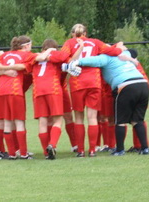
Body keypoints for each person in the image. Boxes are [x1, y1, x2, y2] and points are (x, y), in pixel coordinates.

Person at [60, 23, 126, 157]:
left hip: (77, 82)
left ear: (72, 33)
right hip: (94, 81)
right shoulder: (95, 42)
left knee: (79, 117)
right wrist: (119, 48)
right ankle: (92, 150)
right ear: (86, 33)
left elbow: (63, 57)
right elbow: (112, 52)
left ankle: (80, 150)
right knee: (92, 117)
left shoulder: (69, 43)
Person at [68, 49, 149, 156]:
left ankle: (120, 149)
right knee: (137, 119)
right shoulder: (124, 53)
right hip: (143, 84)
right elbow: (133, 51)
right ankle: (145, 148)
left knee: (120, 120)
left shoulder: (105, 58)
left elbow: (91, 60)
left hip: (125, 85)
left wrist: (76, 62)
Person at [0, 35, 39, 160]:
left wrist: (4, 70)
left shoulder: (4, 55)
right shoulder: (26, 55)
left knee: (7, 122)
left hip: (1, 90)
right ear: (26, 45)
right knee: (19, 122)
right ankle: (23, 153)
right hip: (14, 90)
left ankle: (12, 154)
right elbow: (25, 65)